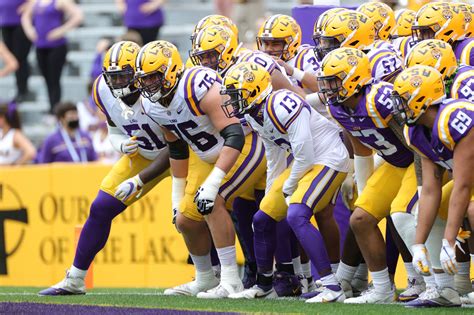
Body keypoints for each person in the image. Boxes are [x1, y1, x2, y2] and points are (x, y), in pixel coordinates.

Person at [136, 40, 267, 298]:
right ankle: (206, 278)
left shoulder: (198, 86)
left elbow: (235, 134)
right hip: (205, 155)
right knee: (185, 218)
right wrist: (176, 196)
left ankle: (231, 280)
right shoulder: (153, 104)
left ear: (171, 71)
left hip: (245, 145)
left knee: (211, 201)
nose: (148, 84)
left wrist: (214, 181)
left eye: (154, 77)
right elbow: (176, 148)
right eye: (145, 79)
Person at [38, 41, 170, 295]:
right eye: (113, 77)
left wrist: (140, 180)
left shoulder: (157, 88)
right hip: (143, 155)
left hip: (181, 154)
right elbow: (113, 126)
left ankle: (215, 275)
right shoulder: (102, 89)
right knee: (100, 208)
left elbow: (177, 143)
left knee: (192, 213)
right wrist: (120, 144)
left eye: (123, 76)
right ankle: (76, 278)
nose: (117, 83)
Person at [221, 62, 350, 302]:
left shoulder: (281, 105)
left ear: (253, 91)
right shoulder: (254, 113)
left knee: (296, 215)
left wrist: (289, 186)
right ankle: (265, 284)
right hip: (306, 162)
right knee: (261, 219)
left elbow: (305, 156)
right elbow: (275, 156)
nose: (231, 101)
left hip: (329, 158)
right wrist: (272, 194)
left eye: (236, 95)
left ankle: (331, 286)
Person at [319, 47, 418, 303]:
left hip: (417, 160)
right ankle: (383, 289)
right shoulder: (338, 106)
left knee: (401, 213)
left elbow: (415, 139)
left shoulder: (379, 99)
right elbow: (360, 144)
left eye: (334, 81)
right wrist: (363, 189)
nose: (329, 88)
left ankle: (427, 282)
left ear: (353, 78)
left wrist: (427, 178)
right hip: (392, 162)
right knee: (361, 218)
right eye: (326, 82)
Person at [392, 65, 474, 307]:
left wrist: (449, 241)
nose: (399, 107)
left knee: (471, 210)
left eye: (404, 99)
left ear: (422, 98)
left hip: (467, 178)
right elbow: (430, 189)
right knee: (426, 211)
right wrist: (419, 243)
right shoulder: (415, 130)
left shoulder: (455, 118)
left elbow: (462, 184)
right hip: (467, 178)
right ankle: (445, 289)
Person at [21, 0, 83, 112]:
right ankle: (52, 107)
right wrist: (30, 31)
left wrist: (60, 31)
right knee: (47, 79)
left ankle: (55, 109)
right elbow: (25, 17)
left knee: (54, 79)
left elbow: (78, 15)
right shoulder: (36, 2)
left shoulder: (60, 2)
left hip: (56, 46)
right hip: (40, 47)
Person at [0, 0, 32, 101]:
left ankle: (22, 90)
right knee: (12, 56)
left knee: (19, 57)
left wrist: (29, 6)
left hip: (20, 23)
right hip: (5, 22)